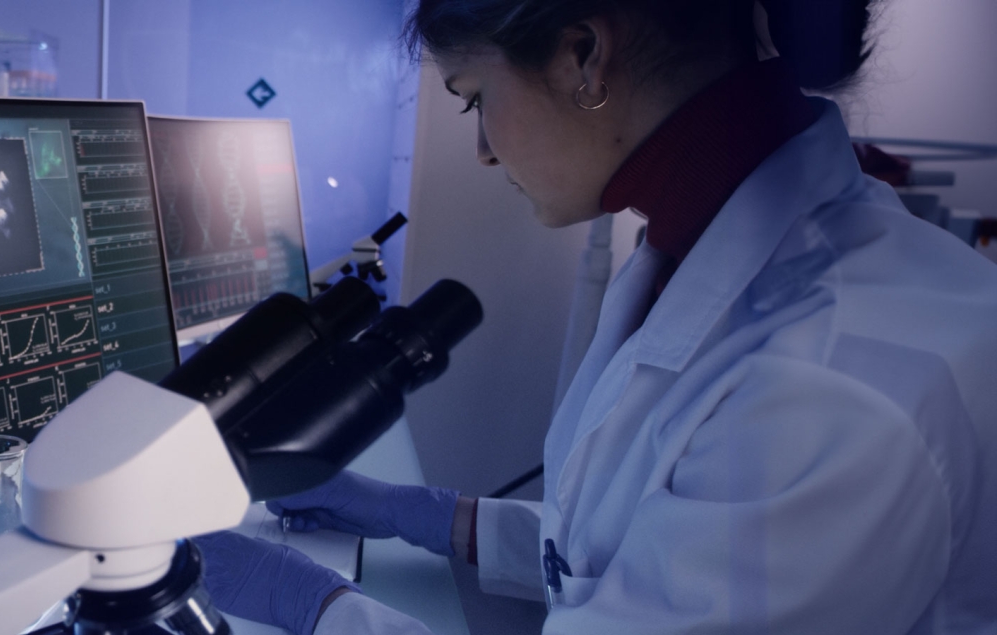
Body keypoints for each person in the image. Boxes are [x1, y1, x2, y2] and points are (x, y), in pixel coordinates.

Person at [194, 0, 997, 633]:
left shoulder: (830, 379)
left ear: (584, 57)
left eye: (475, 99)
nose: (481, 149)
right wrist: (436, 518)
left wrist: (319, 606)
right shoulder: (693, 248)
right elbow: (645, 550)